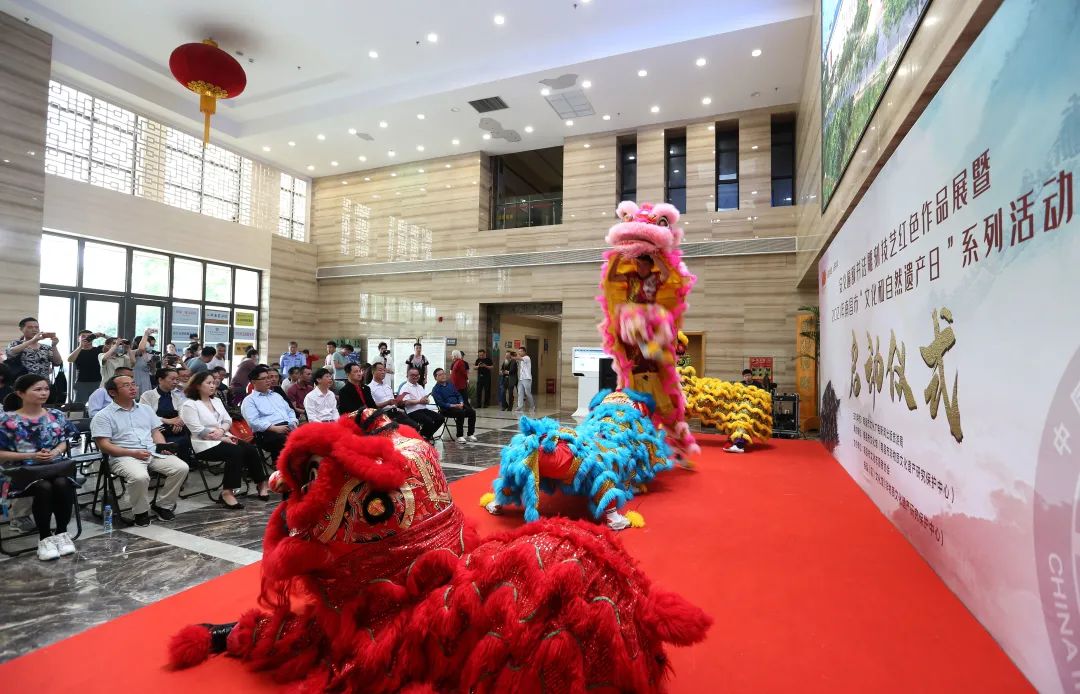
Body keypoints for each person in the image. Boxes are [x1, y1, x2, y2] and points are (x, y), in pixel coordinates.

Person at [91, 374, 189, 526]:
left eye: (133, 384)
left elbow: (155, 432)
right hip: (123, 456)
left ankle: (164, 505)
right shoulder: (103, 416)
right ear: (112, 392)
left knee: (181, 468)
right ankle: (141, 512)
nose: (133, 388)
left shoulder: (145, 409)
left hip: (151, 451)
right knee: (139, 477)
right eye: (126, 385)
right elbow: (104, 445)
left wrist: (162, 446)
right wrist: (132, 453)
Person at [0, 374, 80, 560]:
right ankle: (45, 538)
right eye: (37, 389)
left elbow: (64, 441)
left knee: (62, 483)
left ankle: (61, 533)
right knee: (44, 487)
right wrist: (31, 455)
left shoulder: (56, 415)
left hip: (53, 467)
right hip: (19, 473)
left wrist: (56, 452)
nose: (44, 393)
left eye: (46, 389)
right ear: (20, 393)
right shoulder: (7, 421)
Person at [180, 371, 269, 509]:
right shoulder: (189, 405)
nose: (213, 386)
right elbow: (198, 431)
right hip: (204, 444)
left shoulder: (216, 400)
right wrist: (222, 437)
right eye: (208, 383)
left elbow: (228, 420)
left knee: (250, 449)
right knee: (235, 452)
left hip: (224, 436)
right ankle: (227, 492)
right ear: (197, 385)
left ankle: (261, 483)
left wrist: (222, 432)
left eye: (213, 383)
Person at [240, 365, 298, 462]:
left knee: (309, 437)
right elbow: (253, 422)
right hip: (267, 432)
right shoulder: (249, 400)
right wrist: (274, 428)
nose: (268, 381)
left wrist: (293, 422)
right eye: (264, 378)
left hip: (288, 426)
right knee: (288, 442)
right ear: (253, 382)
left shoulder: (276, 395)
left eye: (268, 378)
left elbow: (290, 411)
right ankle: (283, 466)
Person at [138, 367, 193, 463]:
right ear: (160, 380)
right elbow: (144, 416)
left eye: (177, 379)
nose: (175, 382)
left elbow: (182, 412)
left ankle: (184, 462)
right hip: (156, 428)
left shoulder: (176, 396)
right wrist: (168, 421)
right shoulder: (148, 395)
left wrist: (179, 422)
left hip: (175, 428)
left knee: (187, 432)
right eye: (172, 379)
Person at [431, 368, 477, 443]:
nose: (443, 376)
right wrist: (454, 405)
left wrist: (461, 402)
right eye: (440, 375)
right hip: (447, 409)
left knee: (472, 412)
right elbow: (441, 404)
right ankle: (460, 436)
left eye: (444, 374)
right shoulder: (435, 390)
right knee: (460, 413)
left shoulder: (450, 385)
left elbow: (458, 395)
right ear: (435, 377)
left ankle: (470, 434)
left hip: (458, 405)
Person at [398, 367, 442, 440]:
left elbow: (425, 399)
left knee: (440, 418)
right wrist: (419, 401)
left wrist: (426, 400)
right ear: (407, 376)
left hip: (423, 409)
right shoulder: (405, 387)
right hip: (412, 411)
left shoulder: (420, 386)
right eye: (413, 375)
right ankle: (424, 436)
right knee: (429, 421)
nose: (415, 377)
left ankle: (424, 435)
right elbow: (405, 402)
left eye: (417, 375)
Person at [67, 330, 105, 402]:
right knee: (78, 406)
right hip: (81, 383)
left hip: (98, 382)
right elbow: (70, 360)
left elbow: (116, 342)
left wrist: (103, 335)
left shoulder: (99, 349)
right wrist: (80, 346)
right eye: (83, 336)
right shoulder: (77, 351)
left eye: (89, 336)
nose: (86, 338)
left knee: (98, 405)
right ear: (78, 339)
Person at [131, 328, 160, 396]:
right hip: (135, 380)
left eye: (153, 345)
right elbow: (141, 349)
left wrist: (153, 364)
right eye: (150, 344)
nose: (151, 347)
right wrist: (146, 334)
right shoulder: (133, 353)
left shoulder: (150, 356)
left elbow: (153, 372)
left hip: (146, 382)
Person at [512, 347, 535, 412]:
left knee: (527, 393)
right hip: (521, 379)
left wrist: (513, 357)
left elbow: (519, 358)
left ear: (524, 352)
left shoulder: (527, 358)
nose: (519, 352)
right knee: (520, 393)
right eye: (519, 351)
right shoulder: (521, 360)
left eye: (521, 351)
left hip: (527, 378)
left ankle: (532, 406)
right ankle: (520, 406)